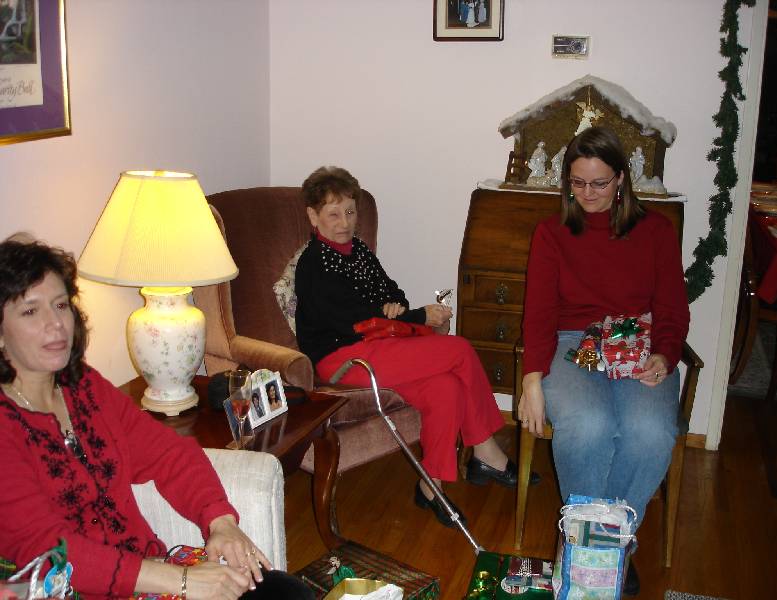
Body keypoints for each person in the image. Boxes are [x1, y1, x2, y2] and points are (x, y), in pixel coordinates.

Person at [0, 235, 313, 600]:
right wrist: (184, 581)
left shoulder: (84, 387)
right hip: (74, 591)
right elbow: (50, 551)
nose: (55, 324)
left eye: (60, 305)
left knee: (285, 593)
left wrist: (220, 521)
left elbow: (169, 454)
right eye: (30, 311)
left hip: (155, 578)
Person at [294, 166, 535, 528]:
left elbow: (392, 292)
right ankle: (485, 449)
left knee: (445, 387)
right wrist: (416, 316)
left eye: (350, 211)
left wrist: (397, 306)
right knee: (458, 350)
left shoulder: (359, 251)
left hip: (380, 344)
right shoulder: (313, 264)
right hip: (344, 359)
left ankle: (430, 485)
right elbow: (349, 319)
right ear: (313, 216)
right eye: (333, 214)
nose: (344, 222)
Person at [517, 127, 690, 596]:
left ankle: (610, 546)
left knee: (650, 431)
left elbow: (672, 308)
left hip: (637, 340)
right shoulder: (551, 233)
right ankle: (585, 546)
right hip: (574, 341)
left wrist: (665, 354)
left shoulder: (656, 231)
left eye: (599, 183)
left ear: (621, 179)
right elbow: (539, 313)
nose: (588, 194)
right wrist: (532, 379)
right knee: (589, 423)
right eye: (577, 183)